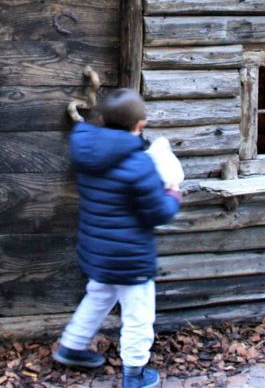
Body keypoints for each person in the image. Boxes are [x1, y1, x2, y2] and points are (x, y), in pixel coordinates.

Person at [52, 88, 182, 388]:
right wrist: (173, 193)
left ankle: (71, 346)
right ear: (139, 126)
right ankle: (135, 374)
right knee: (139, 314)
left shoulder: (86, 151)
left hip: (97, 249)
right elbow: (159, 213)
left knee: (99, 295)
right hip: (130, 256)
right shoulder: (139, 164)